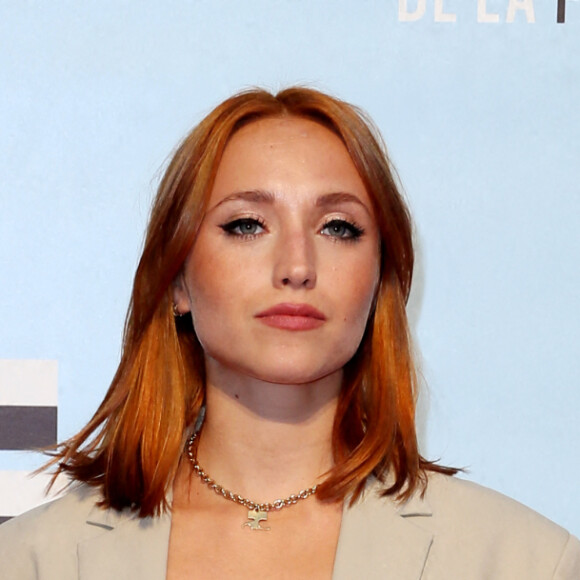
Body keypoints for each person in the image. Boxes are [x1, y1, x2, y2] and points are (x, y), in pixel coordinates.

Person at [0, 87, 578, 579]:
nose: (297, 265)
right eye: (247, 224)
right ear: (176, 280)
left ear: (380, 283)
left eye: (338, 227)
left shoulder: (525, 562)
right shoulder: (31, 561)